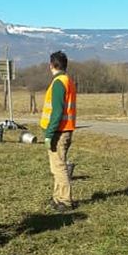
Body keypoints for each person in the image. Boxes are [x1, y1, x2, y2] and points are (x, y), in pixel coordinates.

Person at [40, 50, 77, 212]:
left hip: (58, 132)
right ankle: (57, 197)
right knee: (56, 166)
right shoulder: (68, 80)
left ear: (52, 65)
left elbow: (57, 111)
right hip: (66, 129)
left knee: (59, 167)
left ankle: (65, 200)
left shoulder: (58, 83)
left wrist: (49, 134)